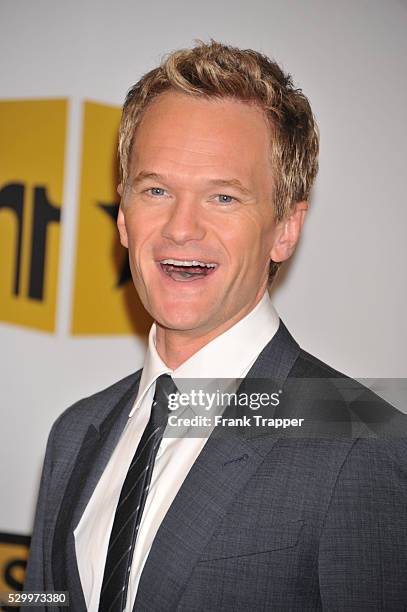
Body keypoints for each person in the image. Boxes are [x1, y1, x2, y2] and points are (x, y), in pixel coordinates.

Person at [24, 40, 407, 611]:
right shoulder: (75, 433)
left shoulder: (365, 441)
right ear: (123, 213)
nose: (181, 228)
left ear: (285, 227)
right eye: (156, 190)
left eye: (223, 197)